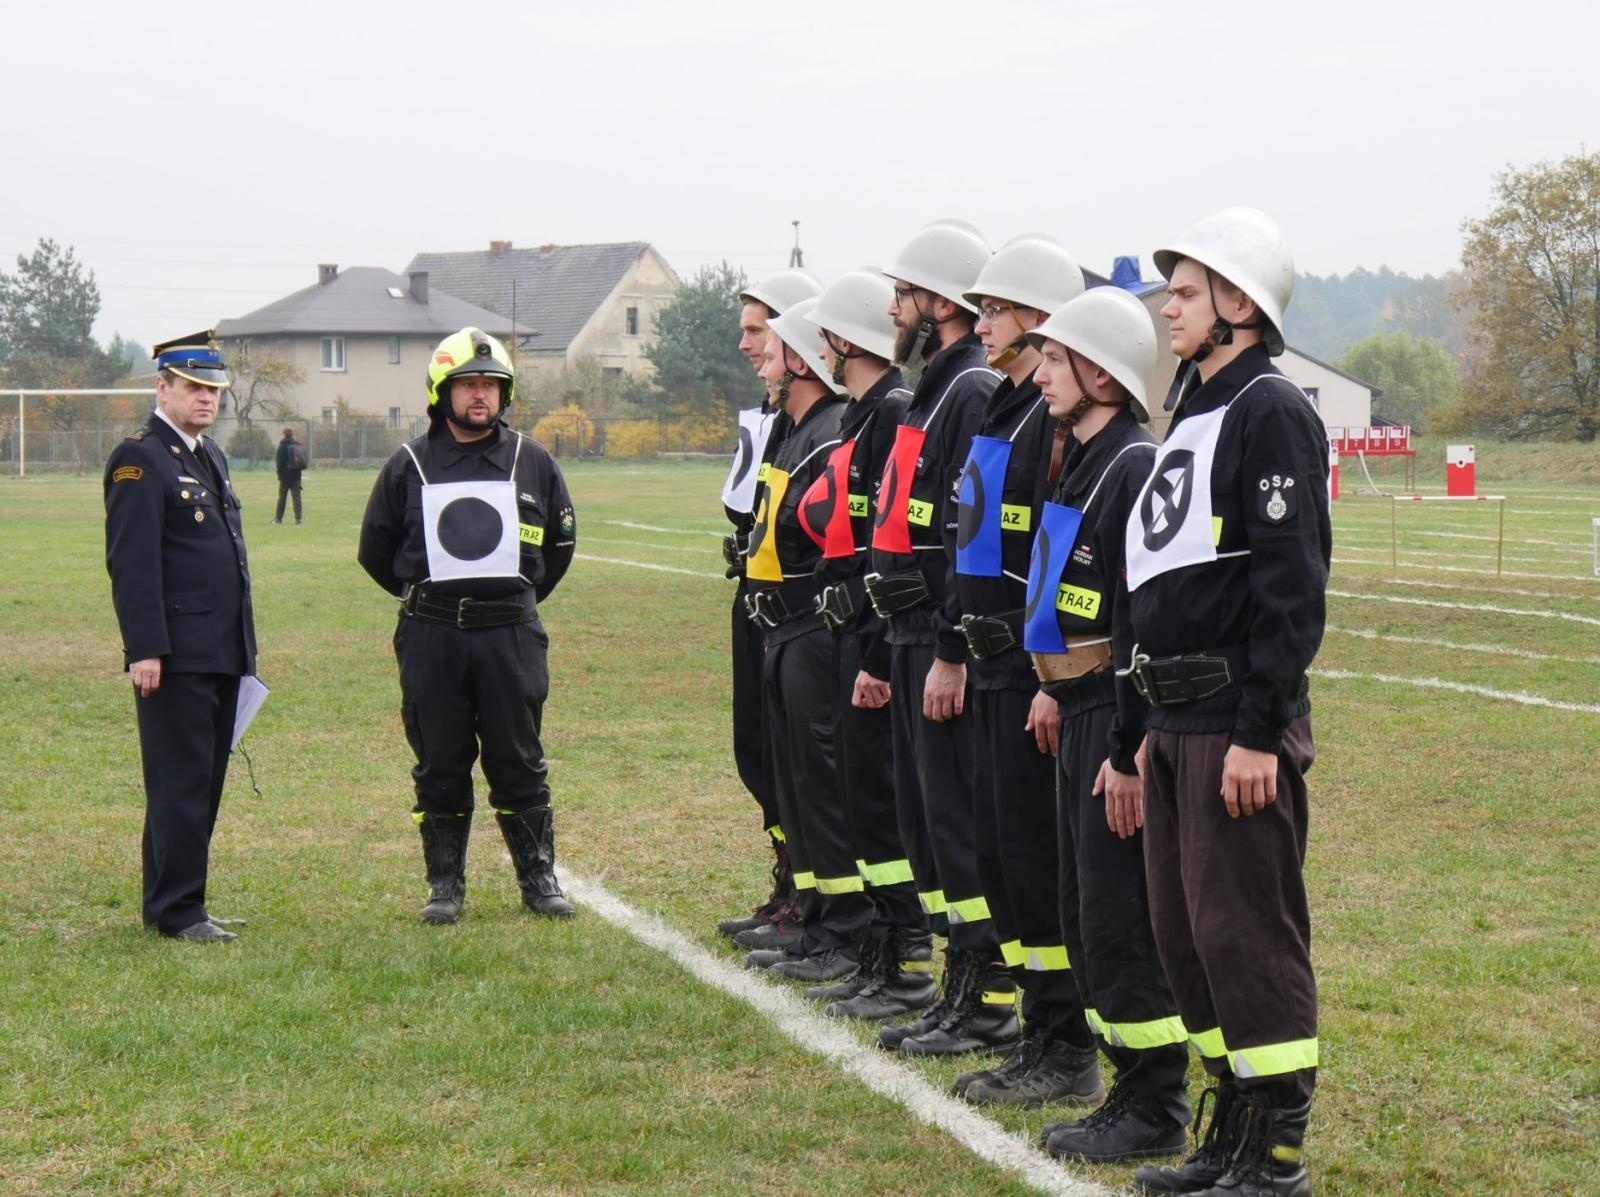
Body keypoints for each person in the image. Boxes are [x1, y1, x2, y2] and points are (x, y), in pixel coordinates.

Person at [1121, 209, 1330, 1197]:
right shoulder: (1192, 410)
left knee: (1247, 934)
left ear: (1239, 304)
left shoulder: (1268, 410)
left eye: (1188, 289)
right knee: (1188, 939)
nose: (1169, 304)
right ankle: (1228, 1130)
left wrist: (1258, 732)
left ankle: (1275, 1150)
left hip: (1229, 729)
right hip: (1171, 727)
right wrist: (1134, 738)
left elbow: (1291, 588)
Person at [1020, 287, 1191, 1164]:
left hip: (1111, 722)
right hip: (1073, 708)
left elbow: (1136, 620)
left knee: (1119, 911)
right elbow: (1067, 598)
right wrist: (1049, 682)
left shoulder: (1130, 462)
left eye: (1056, 358)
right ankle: (1124, 1077)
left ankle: (1155, 1099)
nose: (1040, 371)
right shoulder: (1077, 459)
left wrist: (1126, 750)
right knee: (1083, 906)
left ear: (1103, 371)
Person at [943, 235, 1105, 1105]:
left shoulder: (1050, 425)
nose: (982, 322)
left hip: (1023, 674)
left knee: (1036, 864)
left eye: (998, 309)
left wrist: (1046, 676)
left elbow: (1052, 556)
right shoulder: (1003, 408)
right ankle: (1040, 1030)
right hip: (990, 667)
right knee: (1000, 857)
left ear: (1041, 318)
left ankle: (1066, 1044)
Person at [357, 327, 577, 924]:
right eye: (468, 385)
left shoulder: (533, 459)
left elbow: (559, 544)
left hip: (511, 637)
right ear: (441, 391)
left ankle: (539, 881)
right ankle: (445, 887)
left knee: (519, 759)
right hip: (432, 638)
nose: (480, 396)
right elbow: (375, 552)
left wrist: (512, 603)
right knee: (440, 760)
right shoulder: (407, 464)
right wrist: (431, 605)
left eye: (491, 385)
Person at [864, 221, 1011, 1058]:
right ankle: (961, 986)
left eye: (905, 292)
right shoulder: (935, 385)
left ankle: (985, 996)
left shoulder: (971, 390)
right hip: (911, 630)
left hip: (938, 635)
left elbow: (971, 538)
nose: (894, 307)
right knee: (927, 823)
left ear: (939, 303)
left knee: (955, 822)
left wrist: (952, 645)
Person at [799, 270, 933, 1020]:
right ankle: (886, 944)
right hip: (851, 628)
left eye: (827, 333)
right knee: (860, 794)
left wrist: (879, 650)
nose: (820, 346)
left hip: (875, 635)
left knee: (882, 803)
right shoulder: (859, 415)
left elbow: (896, 540)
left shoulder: (892, 412)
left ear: (848, 338)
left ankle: (905, 954)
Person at [103, 330, 256, 942]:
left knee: (204, 780)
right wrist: (143, 648)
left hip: (220, 649)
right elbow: (132, 562)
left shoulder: (208, 456)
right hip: (175, 656)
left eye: (214, 389)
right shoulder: (139, 458)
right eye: (193, 386)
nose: (207, 398)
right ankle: (178, 910)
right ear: (161, 386)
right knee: (180, 783)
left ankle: (178, 901)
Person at [739, 298, 863, 981]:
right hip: (782, 630)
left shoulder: (832, 430)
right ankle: (815, 917)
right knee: (796, 783)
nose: (760, 355)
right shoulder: (795, 428)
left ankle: (844, 930)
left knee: (822, 785)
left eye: (773, 342)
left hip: (812, 630)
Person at [718, 269, 820, 948]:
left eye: (757, 330)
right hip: (758, 600)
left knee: (796, 761)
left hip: (798, 615)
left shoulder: (819, 423)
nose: (746, 345)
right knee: (757, 751)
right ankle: (788, 875)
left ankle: (811, 894)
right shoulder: (773, 419)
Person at [273, 427, 306, 524]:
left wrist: (280, 476)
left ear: (284, 435)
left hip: (285, 477)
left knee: (282, 498)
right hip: (296, 476)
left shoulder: (282, 446)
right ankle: (298, 519)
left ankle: (278, 519)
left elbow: (279, 463)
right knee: (297, 498)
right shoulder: (297, 445)